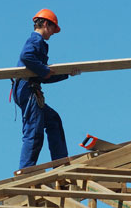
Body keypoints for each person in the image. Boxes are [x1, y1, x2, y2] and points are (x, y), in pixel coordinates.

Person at [12, 9, 80, 169]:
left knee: (53, 120)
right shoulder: (36, 40)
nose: (53, 33)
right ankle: (26, 171)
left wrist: (66, 74)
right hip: (27, 88)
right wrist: (45, 70)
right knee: (34, 130)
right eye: (52, 28)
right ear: (44, 24)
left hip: (30, 87)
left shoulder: (40, 44)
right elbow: (26, 57)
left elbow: (43, 75)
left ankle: (60, 162)